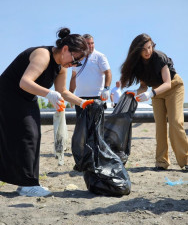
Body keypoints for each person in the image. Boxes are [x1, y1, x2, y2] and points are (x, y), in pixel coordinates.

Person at [0, 27, 95, 197]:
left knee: (34, 135)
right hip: (8, 94)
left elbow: (63, 91)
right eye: (75, 59)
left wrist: (82, 102)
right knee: (28, 134)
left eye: (77, 63)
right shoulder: (42, 55)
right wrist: (48, 94)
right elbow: (24, 82)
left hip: (28, 98)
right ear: (65, 49)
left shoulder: (62, 66)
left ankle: (25, 183)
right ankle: (28, 184)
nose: (73, 65)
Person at [120, 33, 188, 171]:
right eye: (144, 49)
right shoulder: (137, 64)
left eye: (149, 47)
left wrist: (151, 93)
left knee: (175, 123)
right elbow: (144, 86)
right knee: (160, 127)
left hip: (173, 87)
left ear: (153, 46)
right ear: (137, 50)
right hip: (156, 91)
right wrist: (136, 92)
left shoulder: (159, 57)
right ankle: (161, 162)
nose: (147, 52)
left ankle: (186, 161)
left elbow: (168, 83)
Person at [69, 34, 112, 118]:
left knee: (96, 128)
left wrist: (106, 88)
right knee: (81, 128)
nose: (91, 46)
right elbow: (73, 76)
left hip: (96, 97)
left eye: (92, 43)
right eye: (88, 43)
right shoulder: (77, 57)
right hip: (80, 99)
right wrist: (70, 95)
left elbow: (108, 73)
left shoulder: (100, 56)